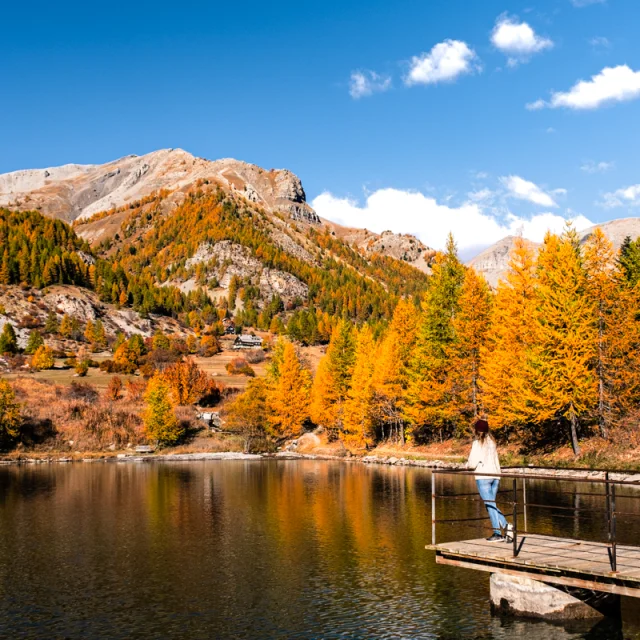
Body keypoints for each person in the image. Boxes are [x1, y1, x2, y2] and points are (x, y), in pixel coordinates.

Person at [466, 417, 513, 542]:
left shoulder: (477, 443)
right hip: (495, 476)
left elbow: (472, 463)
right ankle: (506, 528)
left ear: (476, 431)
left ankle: (499, 533)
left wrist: (466, 465)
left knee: (490, 504)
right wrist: (498, 474)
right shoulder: (492, 442)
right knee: (491, 504)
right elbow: (496, 460)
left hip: (483, 477)